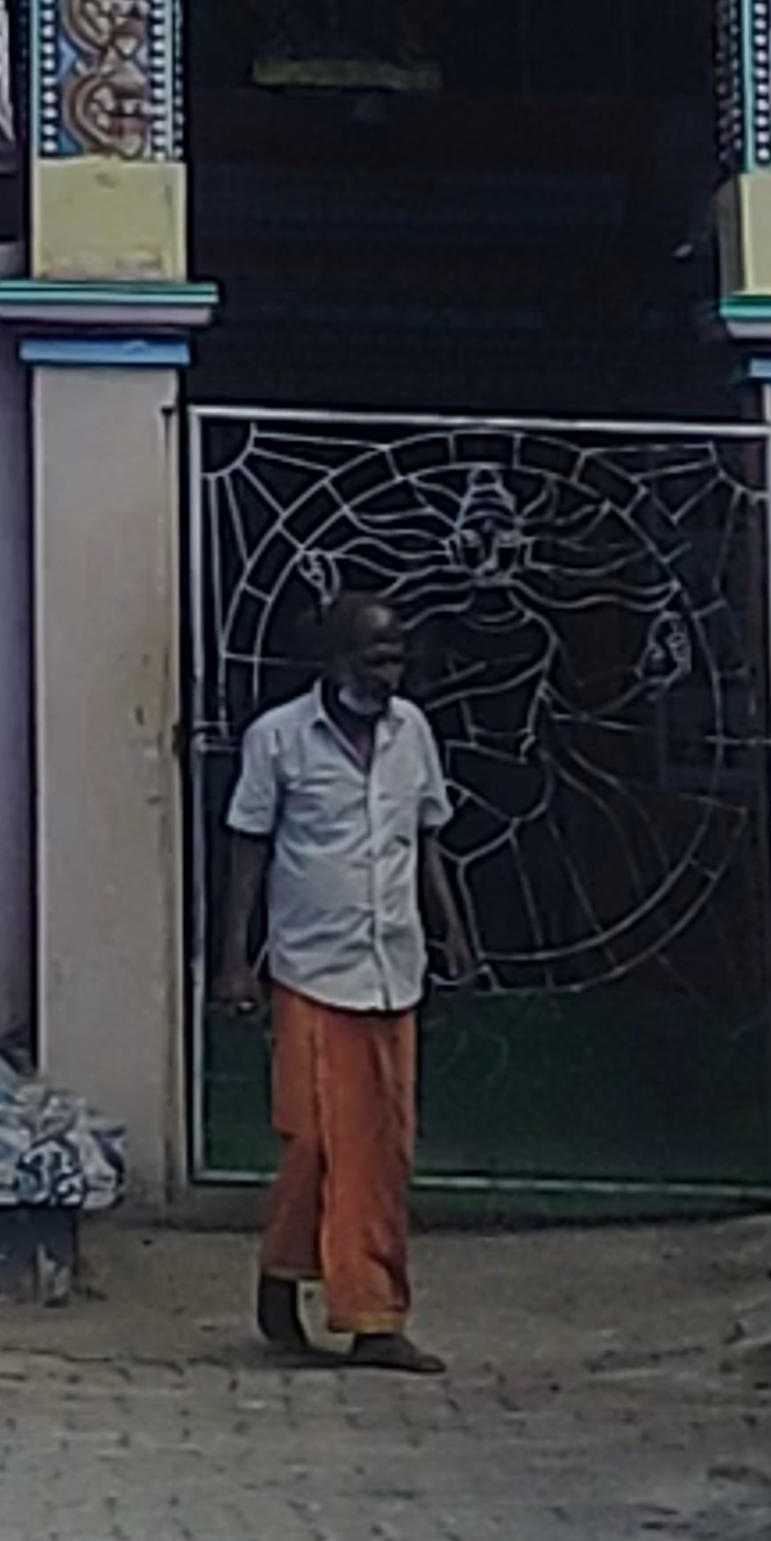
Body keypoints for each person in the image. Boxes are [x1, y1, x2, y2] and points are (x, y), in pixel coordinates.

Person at [214, 586, 482, 1374]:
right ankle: (285, 1278)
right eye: (374, 654)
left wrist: (455, 934)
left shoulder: (414, 735)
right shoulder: (279, 739)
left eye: (396, 654)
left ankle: (375, 1317)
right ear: (333, 657)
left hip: (393, 966)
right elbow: (247, 849)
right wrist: (234, 958)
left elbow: (427, 841)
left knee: (383, 1147)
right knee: (315, 1140)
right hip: (311, 967)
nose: (388, 668)